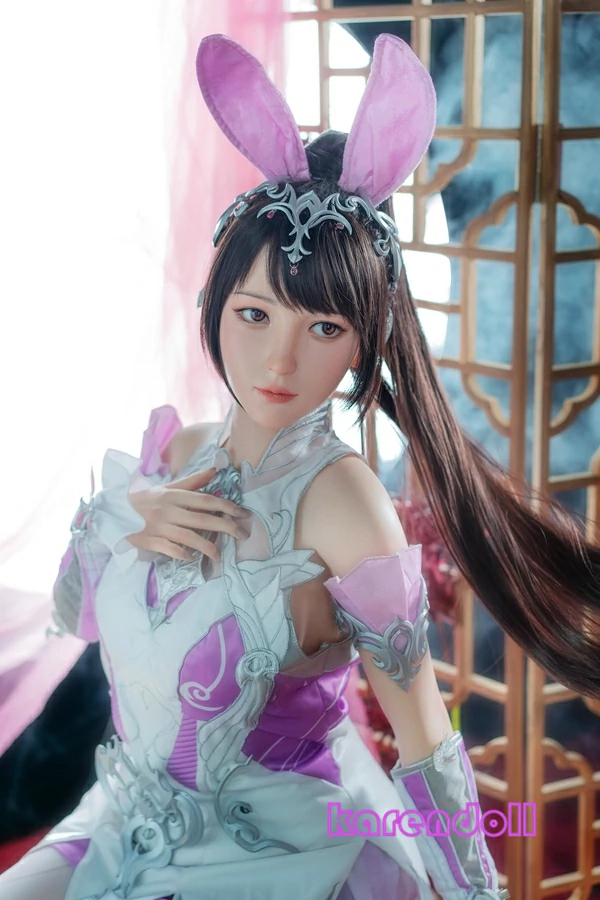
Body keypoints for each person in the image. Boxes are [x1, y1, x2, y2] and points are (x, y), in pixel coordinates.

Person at [2, 31, 599, 900]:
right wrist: (121, 517)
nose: (279, 362)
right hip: (122, 822)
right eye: (254, 315)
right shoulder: (176, 452)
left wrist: (477, 892)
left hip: (276, 853)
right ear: (214, 304)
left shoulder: (344, 502)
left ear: (364, 339)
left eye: (323, 328)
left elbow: (427, 741)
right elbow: (74, 618)